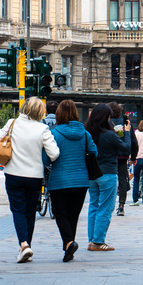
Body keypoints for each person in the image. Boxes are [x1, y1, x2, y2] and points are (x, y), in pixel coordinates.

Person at [0, 97, 59, 264]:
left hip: (13, 174)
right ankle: (26, 245)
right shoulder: (43, 128)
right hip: (34, 177)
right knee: (30, 212)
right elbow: (54, 153)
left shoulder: (12, 123)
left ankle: (24, 245)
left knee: (18, 210)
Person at [48, 99, 96, 262]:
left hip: (59, 181)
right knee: (73, 215)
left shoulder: (54, 134)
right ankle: (69, 247)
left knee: (59, 212)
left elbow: (46, 158)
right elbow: (94, 151)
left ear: (58, 114)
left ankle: (69, 243)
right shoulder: (84, 133)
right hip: (81, 181)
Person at [87, 103, 128, 251]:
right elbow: (126, 148)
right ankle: (98, 242)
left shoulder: (88, 133)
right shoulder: (109, 135)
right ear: (106, 117)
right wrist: (127, 133)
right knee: (105, 207)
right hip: (108, 173)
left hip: (92, 174)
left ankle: (92, 240)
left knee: (93, 206)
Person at [109, 104, 135, 216]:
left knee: (109, 178)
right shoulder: (126, 123)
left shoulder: (106, 123)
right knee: (123, 180)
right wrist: (133, 157)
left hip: (109, 156)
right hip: (123, 156)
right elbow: (133, 141)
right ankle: (121, 205)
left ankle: (108, 204)